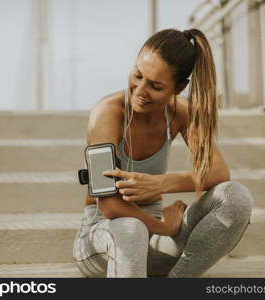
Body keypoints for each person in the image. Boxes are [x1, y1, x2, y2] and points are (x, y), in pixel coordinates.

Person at [72, 28, 253, 278]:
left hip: (155, 244)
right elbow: (110, 205)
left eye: (155, 86)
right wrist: (164, 227)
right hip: (105, 238)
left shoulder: (182, 113)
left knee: (236, 196)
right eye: (137, 75)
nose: (139, 90)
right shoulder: (107, 113)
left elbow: (219, 173)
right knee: (131, 229)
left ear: (178, 88)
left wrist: (161, 184)